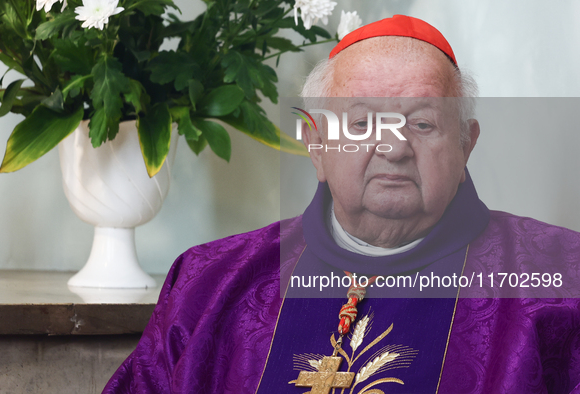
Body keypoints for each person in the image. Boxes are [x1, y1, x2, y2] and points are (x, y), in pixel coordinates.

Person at [103, 15, 580, 394]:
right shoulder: (208, 282)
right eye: (362, 123)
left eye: (422, 123)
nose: (393, 148)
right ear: (316, 144)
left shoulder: (560, 283)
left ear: (465, 144)